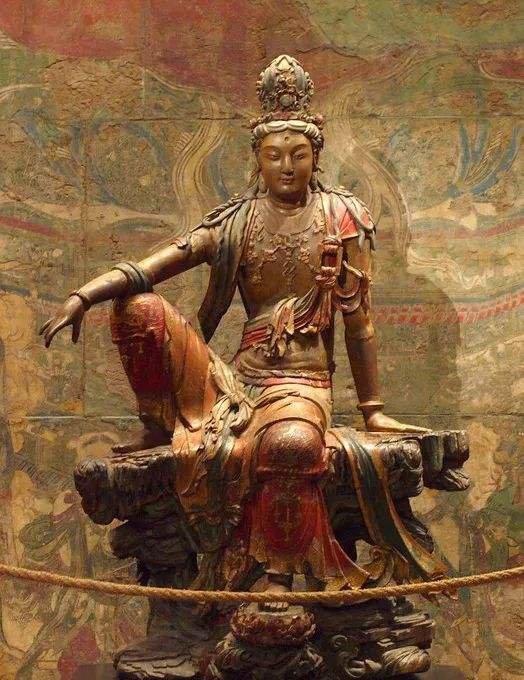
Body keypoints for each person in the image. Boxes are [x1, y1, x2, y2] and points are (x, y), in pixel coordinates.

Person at [41, 55, 428, 608]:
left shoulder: (342, 217)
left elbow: (358, 322)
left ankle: (278, 573)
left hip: (300, 383)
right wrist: (84, 296)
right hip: (234, 382)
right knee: (138, 308)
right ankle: (157, 424)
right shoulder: (236, 221)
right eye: (274, 155)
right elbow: (152, 267)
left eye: (298, 154)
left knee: (292, 444)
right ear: (257, 159)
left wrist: (373, 410)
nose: (287, 167)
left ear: (316, 156)